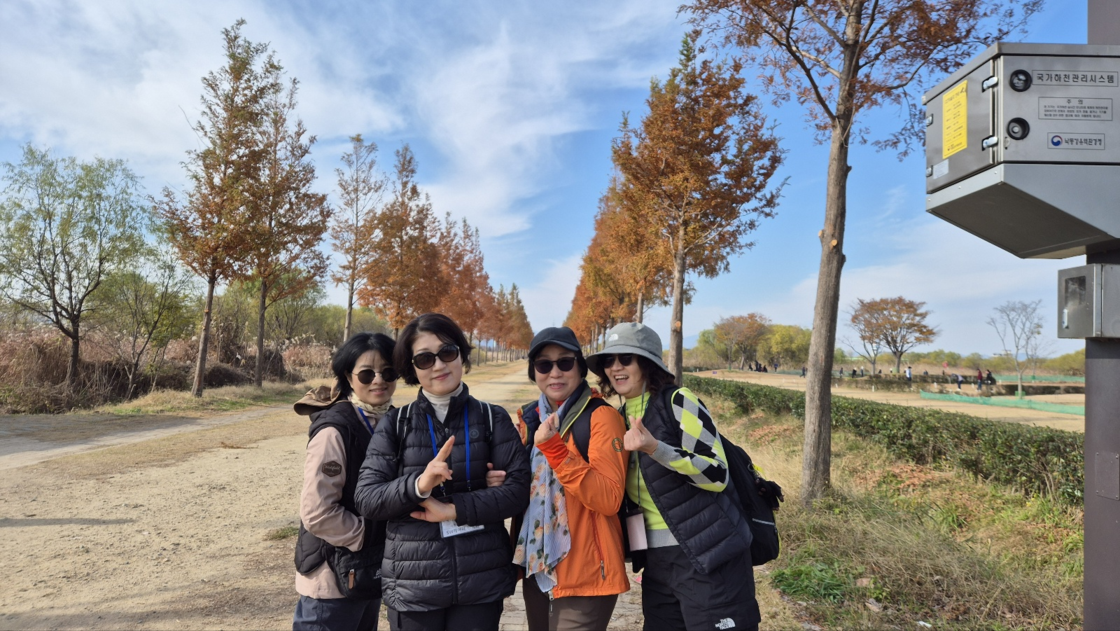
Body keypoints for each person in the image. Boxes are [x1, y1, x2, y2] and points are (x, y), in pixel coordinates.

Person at [353, 313, 530, 631]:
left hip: (481, 581)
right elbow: (367, 498)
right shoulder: (396, 423)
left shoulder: (492, 418)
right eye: (424, 358)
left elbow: (517, 492)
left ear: (461, 354)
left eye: (447, 352)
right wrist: (418, 485)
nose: (438, 365)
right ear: (412, 368)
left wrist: (453, 509)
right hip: (413, 584)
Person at [587, 322, 760, 631]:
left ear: (647, 362)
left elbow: (717, 474)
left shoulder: (678, 400)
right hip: (656, 563)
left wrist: (656, 448)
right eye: (608, 360)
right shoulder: (617, 416)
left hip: (709, 555)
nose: (615, 367)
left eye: (625, 358)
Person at [512, 327, 629, 631]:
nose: (555, 373)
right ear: (534, 371)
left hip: (586, 572)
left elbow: (609, 498)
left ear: (579, 367)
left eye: (564, 362)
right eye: (544, 365)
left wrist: (556, 450)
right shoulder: (530, 419)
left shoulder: (601, 417)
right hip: (538, 567)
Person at [291, 332, 398, 631]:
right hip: (331, 581)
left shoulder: (392, 422)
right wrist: (367, 535)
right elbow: (317, 512)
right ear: (348, 377)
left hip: (368, 572)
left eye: (388, 372)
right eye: (366, 374)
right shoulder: (334, 431)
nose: (378, 380)